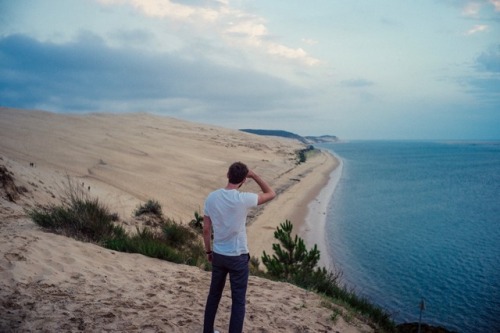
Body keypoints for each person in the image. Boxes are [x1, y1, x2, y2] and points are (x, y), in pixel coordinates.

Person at [203, 161, 276, 333]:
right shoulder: (244, 199)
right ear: (244, 180)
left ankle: (207, 331)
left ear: (227, 175)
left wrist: (208, 251)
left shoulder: (211, 197)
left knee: (214, 296)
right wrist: (254, 175)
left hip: (219, 255)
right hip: (238, 257)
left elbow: (206, 229)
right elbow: (271, 193)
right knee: (238, 301)